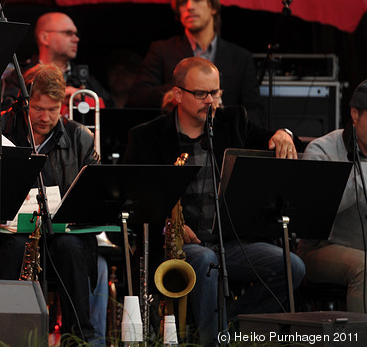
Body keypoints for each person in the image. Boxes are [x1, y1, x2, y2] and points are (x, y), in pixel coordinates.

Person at [124, 57, 303, 347]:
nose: (211, 100)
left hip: (228, 242)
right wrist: (170, 226)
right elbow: (133, 201)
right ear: (179, 94)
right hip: (179, 248)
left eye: (216, 93)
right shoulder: (147, 136)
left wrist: (284, 134)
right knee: (205, 260)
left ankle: (230, 326)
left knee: (291, 266)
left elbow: (270, 138)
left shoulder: (233, 121)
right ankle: (212, 342)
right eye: (201, 94)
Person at [0, 63, 101, 343]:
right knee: (15, 246)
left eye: (53, 110)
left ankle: (78, 337)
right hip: (9, 235)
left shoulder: (80, 137)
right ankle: (3, 335)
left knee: (70, 247)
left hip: (62, 235)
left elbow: (93, 197)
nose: (45, 117)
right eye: (38, 108)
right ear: (22, 103)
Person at [128, 0, 263, 122]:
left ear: (213, 6)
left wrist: (228, 116)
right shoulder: (161, 50)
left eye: (197, 0)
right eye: (183, 2)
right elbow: (137, 97)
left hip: (223, 141)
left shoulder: (241, 57)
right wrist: (175, 92)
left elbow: (255, 112)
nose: (189, 7)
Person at [299, 79, 367, 312]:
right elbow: (312, 213)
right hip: (321, 249)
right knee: (364, 267)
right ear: (355, 115)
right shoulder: (321, 150)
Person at [0, 12, 111, 111]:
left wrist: (84, 97)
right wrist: (54, 100)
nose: (76, 39)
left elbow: (111, 111)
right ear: (44, 37)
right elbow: (8, 114)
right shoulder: (19, 76)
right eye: (68, 33)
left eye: (76, 34)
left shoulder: (84, 77)